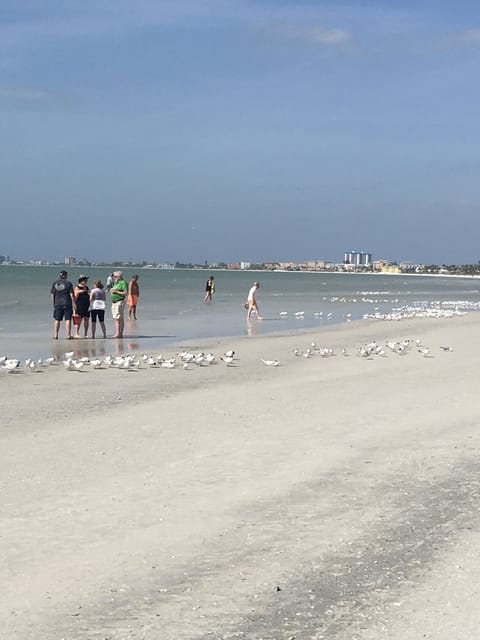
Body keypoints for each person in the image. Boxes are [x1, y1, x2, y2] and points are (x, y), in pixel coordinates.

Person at [50, 270, 75, 339]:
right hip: (67, 303)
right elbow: (71, 295)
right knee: (68, 319)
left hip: (57, 303)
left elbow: (52, 294)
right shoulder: (68, 283)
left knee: (57, 319)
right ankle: (68, 335)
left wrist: (54, 303)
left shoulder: (55, 283)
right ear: (65, 275)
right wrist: (74, 303)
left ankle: (56, 335)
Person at [110, 271, 128, 338]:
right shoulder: (116, 283)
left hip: (119, 301)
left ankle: (119, 333)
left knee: (119, 317)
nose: (114, 278)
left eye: (115, 276)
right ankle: (117, 332)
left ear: (120, 276)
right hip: (114, 302)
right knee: (116, 318)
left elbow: (126, 293)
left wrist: (116, 291)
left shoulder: (123, 283)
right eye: (114, 276)